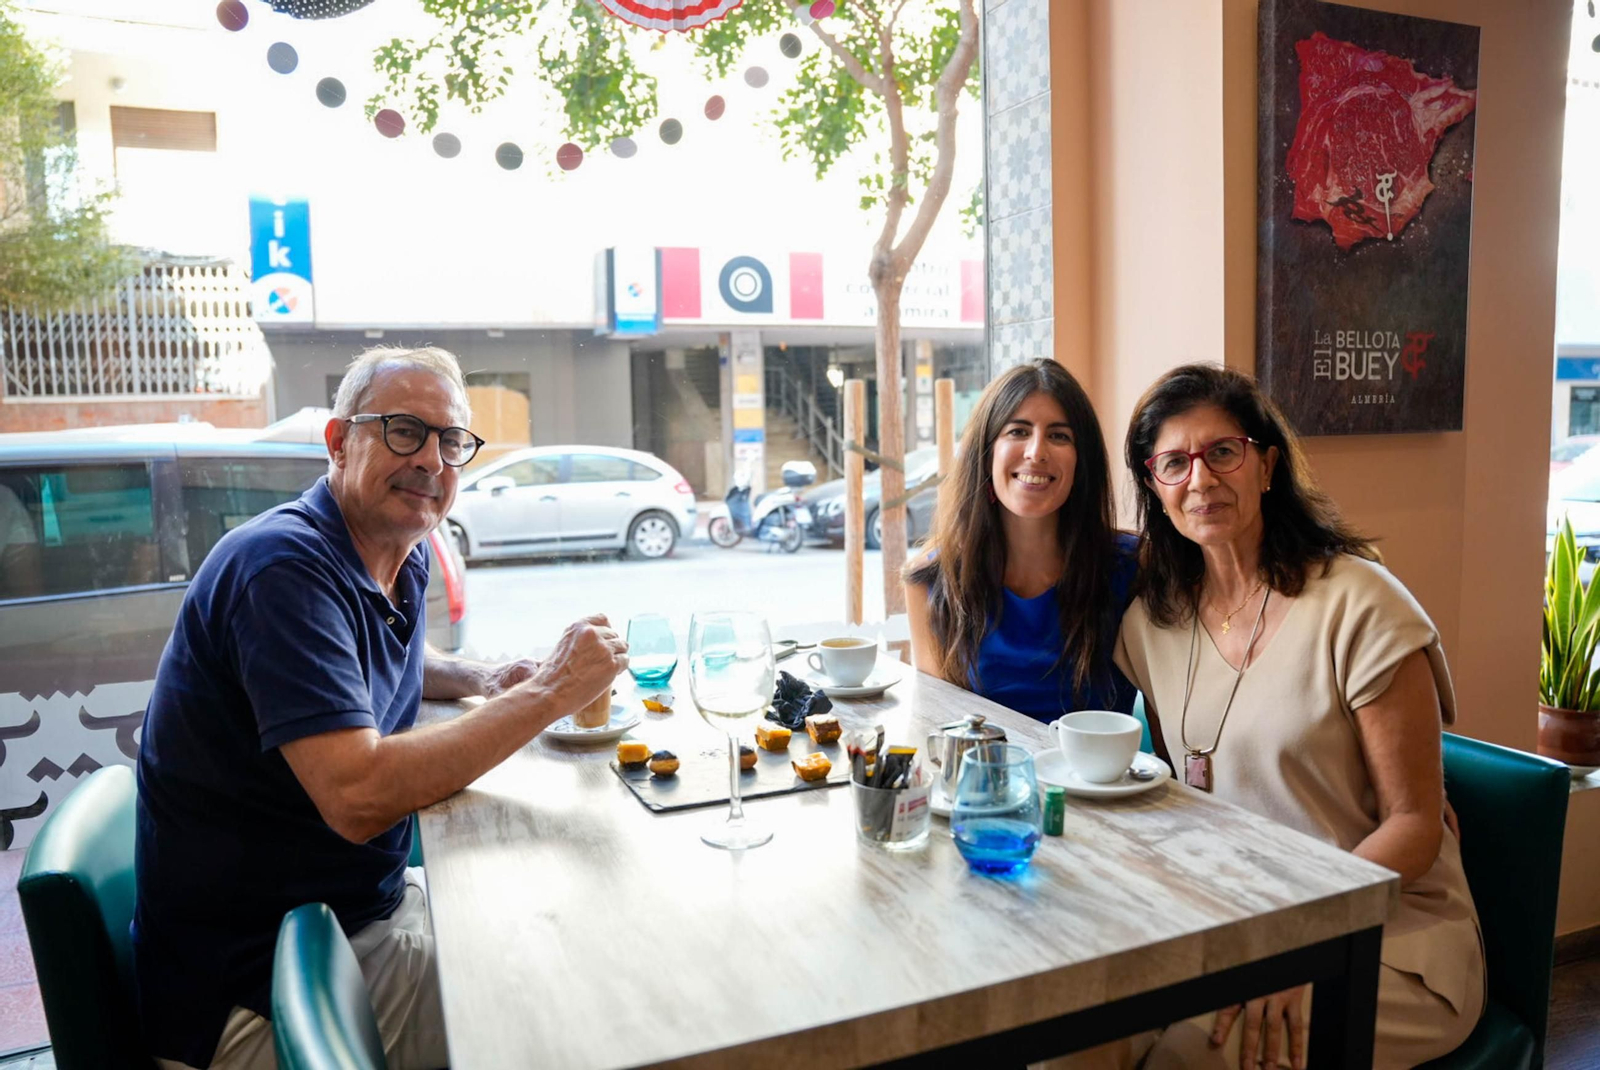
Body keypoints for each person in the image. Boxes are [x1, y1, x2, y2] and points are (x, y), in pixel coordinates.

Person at [132, 346, 628, 1070]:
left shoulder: (397, 548)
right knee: (568, 1004)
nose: (430, 459)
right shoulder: (281, 569)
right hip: (258, 991)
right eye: (403, 430)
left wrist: (485, 679)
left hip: (351, 919)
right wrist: (549, 692)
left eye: (450, 440)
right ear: (338, 442)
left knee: (547, 928)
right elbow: (358, 794)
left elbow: (360, 665)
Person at [1115, 363, 1483, 1070]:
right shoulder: (1149, 625)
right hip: (1234, 922)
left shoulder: (1361, 604)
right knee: (1080, 1037)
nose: (1201, 478)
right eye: (1173, 462)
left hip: (1383, 935)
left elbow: (1414, 827)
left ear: (1266, 466)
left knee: (1188, 1055)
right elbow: (1187, 797)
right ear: (1155, 489)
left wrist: (1304, 938)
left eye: (1224, 452)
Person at [905, 358, 1137, 723]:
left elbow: (1170, 713)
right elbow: (939, 725)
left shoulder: (1133, 568)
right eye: (1017, 431)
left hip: (1102, 780)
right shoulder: (929, 579)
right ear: (986, 454)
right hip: (984, 779)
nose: (1036, 452)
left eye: (1059, 435)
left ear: (1082, 461)